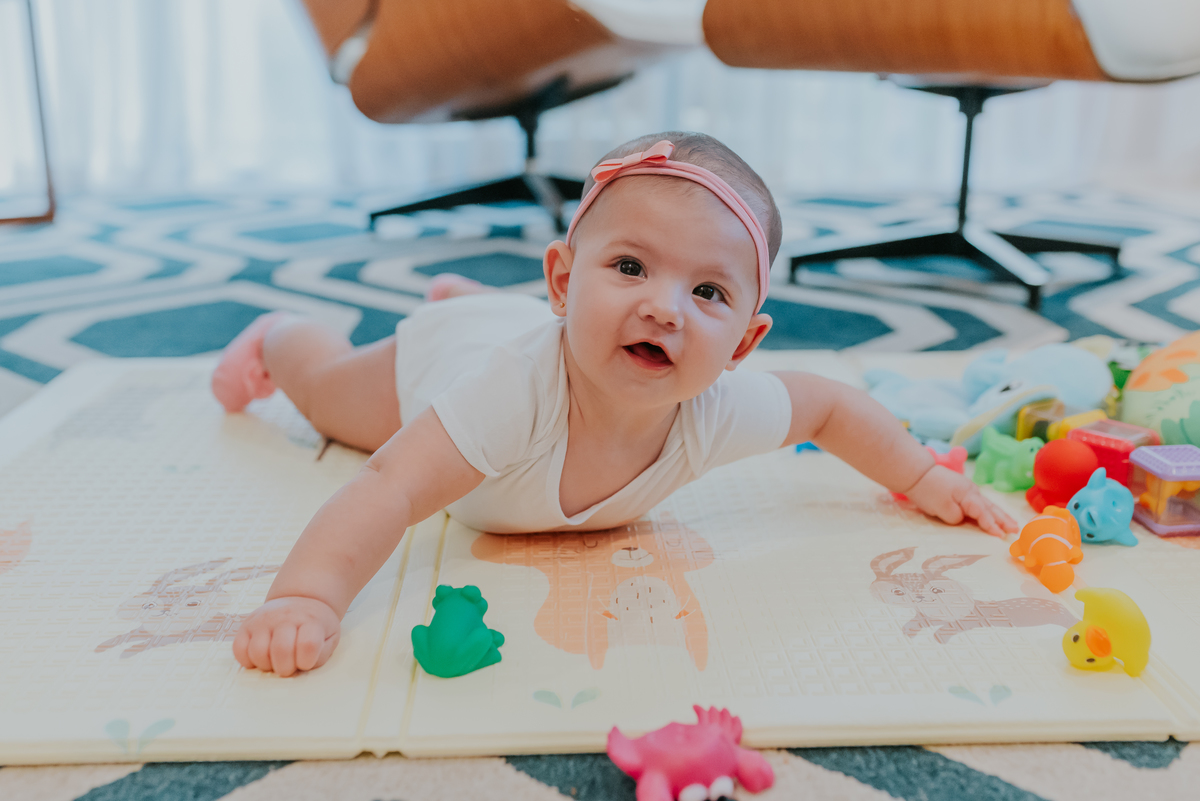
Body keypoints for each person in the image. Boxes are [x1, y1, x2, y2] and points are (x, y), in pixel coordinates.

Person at [219, 132, 1018, 677]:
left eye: (708, 291)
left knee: (520, 325)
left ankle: (482, 299)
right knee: (326, 397)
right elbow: (390, 485)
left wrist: (927, 477)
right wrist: (306, 596)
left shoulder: (715, 408)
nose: (666, 308)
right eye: (631, 266)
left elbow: (831, 407)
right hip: (443, 361)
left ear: (743, 343)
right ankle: (281, 330)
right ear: (565, 277)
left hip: (531, 324)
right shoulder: (511, 394)